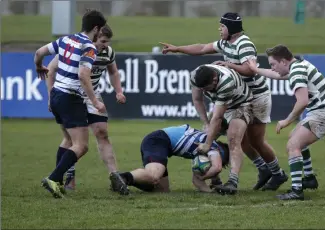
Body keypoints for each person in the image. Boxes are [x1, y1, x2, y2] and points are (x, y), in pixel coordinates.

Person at [160, 12, 287, 191]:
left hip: (257, 95)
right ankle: (263, 169)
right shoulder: (226, 43)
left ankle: (277, 173)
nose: (219, 29)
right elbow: (203, 48)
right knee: (239, 138)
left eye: (222, 26)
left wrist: (229, 65)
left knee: (256, 141)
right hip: (239, 94)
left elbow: (251, 70)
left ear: (232, 29)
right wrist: (178, 48)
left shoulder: (244, 44)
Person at [34, 10, 128, 198]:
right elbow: (80, 75)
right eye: (101, 35)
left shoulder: (67, 40)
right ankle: (57, 178)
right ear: (96, 29)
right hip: (73, 95)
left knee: (99, 132)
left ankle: (113, 175)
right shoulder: (86, 48)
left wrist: (38, 66)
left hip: (69, 94)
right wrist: (94, 101)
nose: (104, 44)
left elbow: (39, 53)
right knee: (78, 144)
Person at [247, 44, 325, 200]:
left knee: (293, 145)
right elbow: (276, 75)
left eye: (273, 64)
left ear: (283, 61)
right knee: (294, 138)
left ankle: (296, 191)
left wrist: (286, 120)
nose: (273, 68)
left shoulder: (296, 71)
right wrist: (256, 70)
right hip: (324, 111)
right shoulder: (298, 65)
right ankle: (309, 178)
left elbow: (302, 101)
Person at [190, 64, 252, 195]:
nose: (206, 91)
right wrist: (206, 123)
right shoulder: (195, 76)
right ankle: (215, 180)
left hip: (240, 105)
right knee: (205, 136)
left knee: (233, 139)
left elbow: (217, 117)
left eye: (207, 88)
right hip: (221, 104)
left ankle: (232, 182)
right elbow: (197, 100)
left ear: (214, 79)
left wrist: (208, 144)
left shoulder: (226, 83)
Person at [119, 123, 230, 193]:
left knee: (162, 190)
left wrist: (212, 188)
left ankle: (123, 182)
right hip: (158, 141)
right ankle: (123, 178)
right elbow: (217, 167)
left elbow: (197, 181)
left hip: (160, 142)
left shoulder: (203, 151)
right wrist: (205, 178)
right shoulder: (213, 148)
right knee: (154, 176)